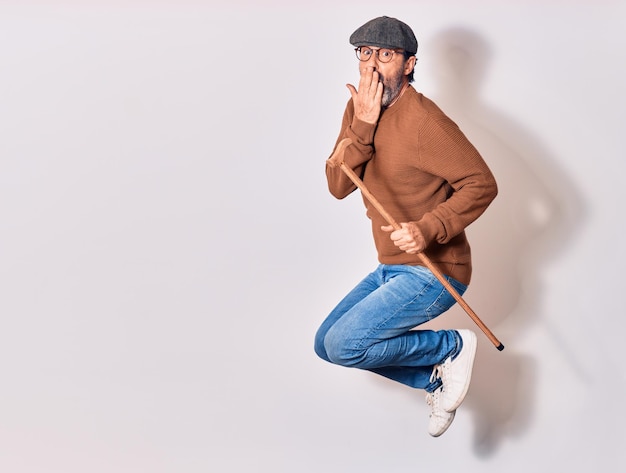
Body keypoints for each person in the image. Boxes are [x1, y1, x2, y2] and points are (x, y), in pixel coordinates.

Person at [314, 16, 498, 437]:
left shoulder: (424, 123)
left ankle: (451, 346)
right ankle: (434, 377)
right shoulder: (359, 108)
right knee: (326, 345)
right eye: (365, 53)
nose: (373, 65)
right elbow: (338, 184)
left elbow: (481, 183)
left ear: (410, 64)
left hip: (435, 270)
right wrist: (361, 123)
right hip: (392, 265)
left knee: (346, 344)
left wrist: (429, 227)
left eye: (386, 54)